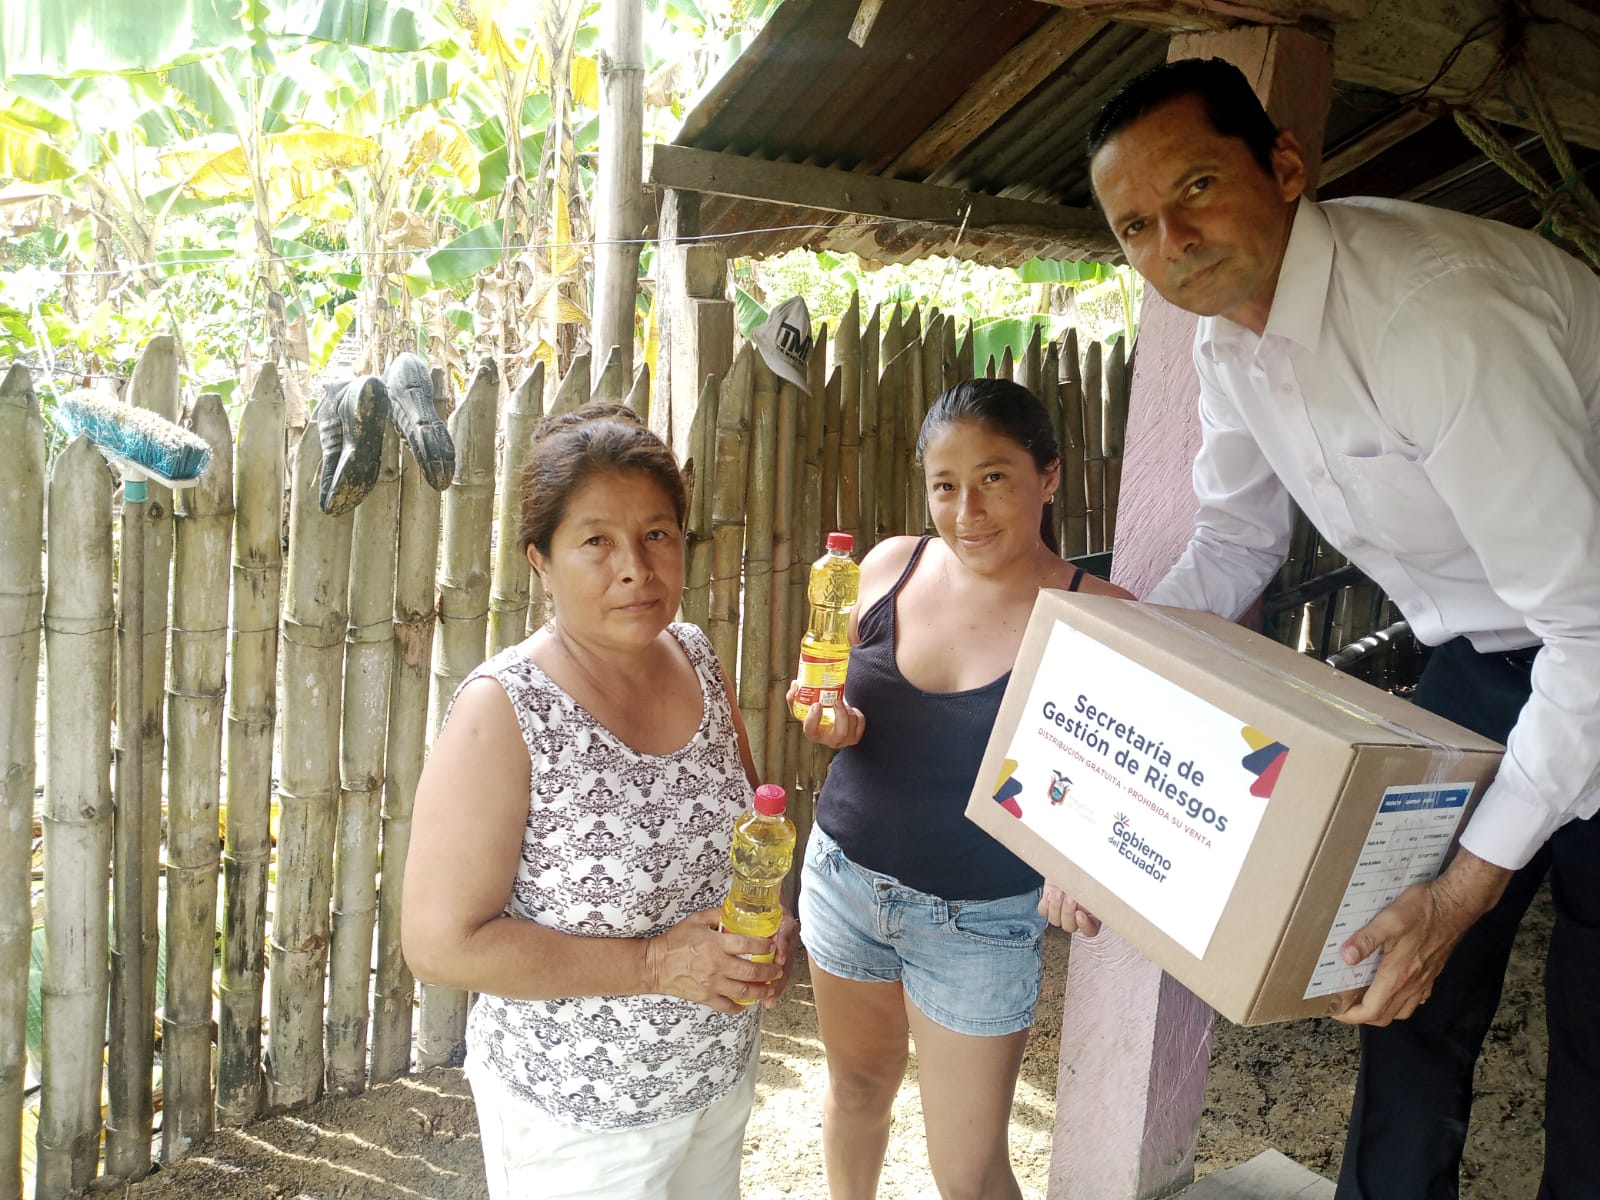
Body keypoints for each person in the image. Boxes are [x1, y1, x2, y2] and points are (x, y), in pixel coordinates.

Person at [1081, 57, 1600, 1200]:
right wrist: (1100, 724)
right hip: (1486, 655)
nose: (1173, 241)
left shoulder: (1431, 318)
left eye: (1196, 187)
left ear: (1283, 167)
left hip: (1589, 634)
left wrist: (1460, 892)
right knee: (1392, 977)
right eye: (1134, 227)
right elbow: (1234, 541)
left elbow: (1589, 631)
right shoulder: (1227, 338)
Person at [401, 402, 797, 1200]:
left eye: (656, 534)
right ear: (540, 560)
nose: (636, 569)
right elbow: (441, 945)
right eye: (596, 542)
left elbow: (747, 835)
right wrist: (653, 964)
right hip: (578, 1120)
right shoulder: (504, 709)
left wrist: (769, 920)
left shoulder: (695, 656)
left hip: (714, 1075)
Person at [790, 378, 1132, 1200]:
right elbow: (827, 694)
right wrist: (831, 722)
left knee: (969, 1174)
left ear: (1049, 476)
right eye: (945, 486)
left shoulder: (1103, 617)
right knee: (855, 1094)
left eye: (994, 478)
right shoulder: (886, 567)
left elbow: (1125, 791)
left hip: (979, 922)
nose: (967, 511)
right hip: (843, 881)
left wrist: (1082, 860)